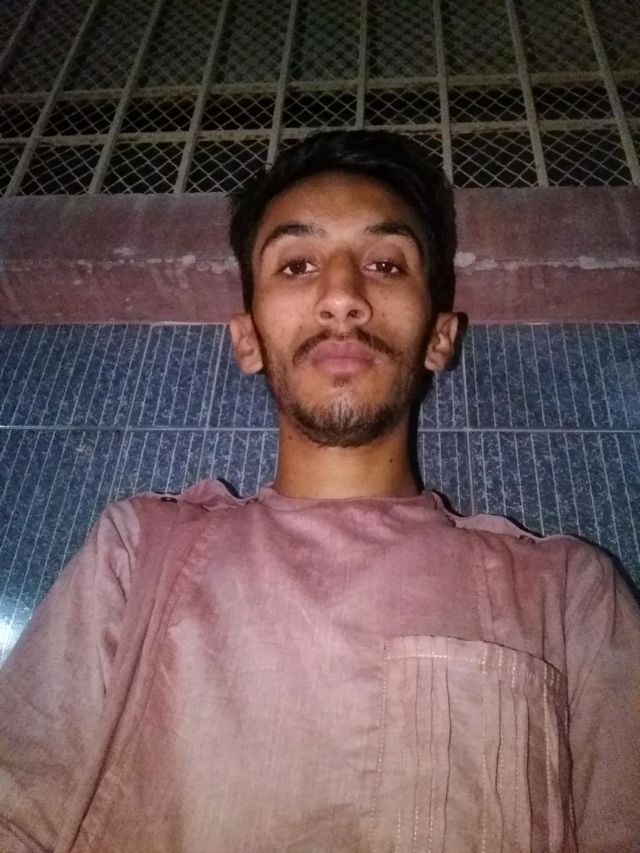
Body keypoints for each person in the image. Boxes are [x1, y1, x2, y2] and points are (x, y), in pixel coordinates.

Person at [1, 130, 639, 853]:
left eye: (384, 264)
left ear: (440, 337)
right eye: (297, 264)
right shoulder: (139, 549)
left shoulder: (567, 593)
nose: (342, 296)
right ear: (247, 338)